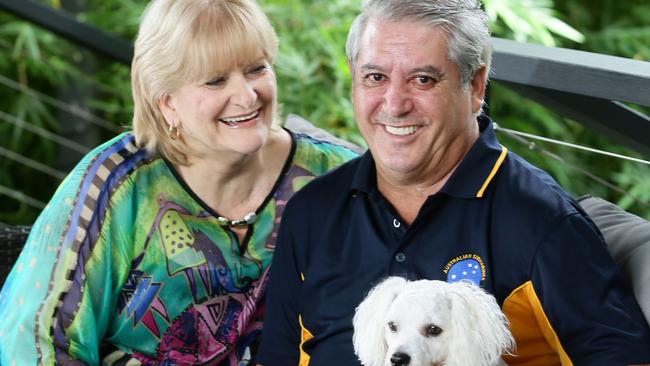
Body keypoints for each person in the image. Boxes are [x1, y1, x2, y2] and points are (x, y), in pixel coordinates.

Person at [257, 0, 650, 365]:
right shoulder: (314, 210)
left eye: (423, 79)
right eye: (375, 76)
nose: (394, 104)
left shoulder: (543, 221)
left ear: (475, 86)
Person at [0, 0, 358, 364]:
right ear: (167, 102)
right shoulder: (116, 188)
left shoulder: (341, 177)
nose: (248, 95)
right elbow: (35, 340)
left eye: (257, 69)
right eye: (216, 80)